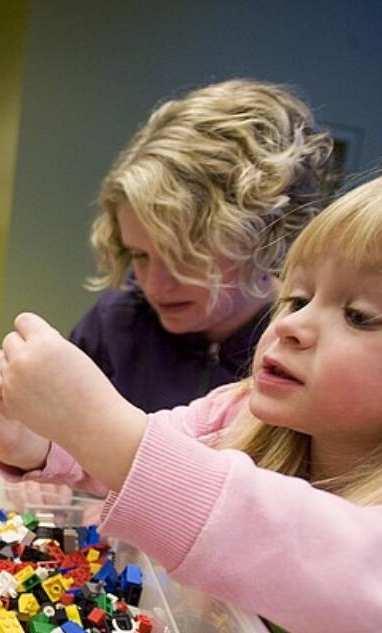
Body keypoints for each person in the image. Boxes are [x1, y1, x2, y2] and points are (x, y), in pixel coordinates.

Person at [0, 164, 382, 633]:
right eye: (296, 299)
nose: (292, 326)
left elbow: (381, 592)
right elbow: (147, 456)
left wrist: (98, 424)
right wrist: (41, 442)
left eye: (360, 316)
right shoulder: (239, 412)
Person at [71, 79, 333, 412]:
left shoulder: (305, 350)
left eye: (184, 256)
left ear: (262, 237)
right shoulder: (115, 324)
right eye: (140, 255)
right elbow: (52, 451)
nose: (155, 285)